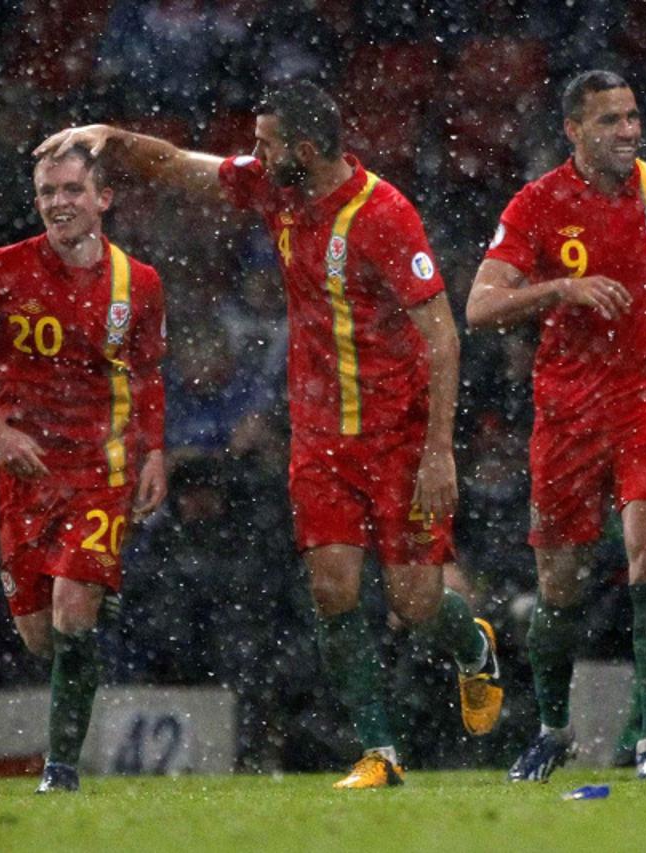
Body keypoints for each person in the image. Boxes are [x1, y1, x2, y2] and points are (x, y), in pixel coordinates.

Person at [35, 80, 502, 789]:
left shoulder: (385, 215)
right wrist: (116, 138)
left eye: (266, 142)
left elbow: (441, 334)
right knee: (332, 589)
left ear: (306, 151)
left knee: (415, 603)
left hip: (397, 437)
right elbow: (181, 168)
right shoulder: (276, 188)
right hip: (319, 437)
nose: (254, 153)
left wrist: (439, 449)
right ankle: (380, 752)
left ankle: (474, 645)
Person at [466, 69, 646, 781]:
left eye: (632, 117)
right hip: (566, 416)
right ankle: (552, 728)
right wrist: (560, 288)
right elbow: (478, 306)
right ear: (574, 130)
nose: (628, 131)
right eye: (610, 121)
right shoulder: (537, 205)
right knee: (559, 585)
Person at [0, 146, 168, 793]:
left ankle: (59, 772)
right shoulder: (2, 269)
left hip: (101, 469)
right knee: (40, 638)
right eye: (46, 191)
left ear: (103, 198)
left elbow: (147, 374)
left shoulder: (138, 281)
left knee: (70, 611)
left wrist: (156, 453)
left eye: (71, 189)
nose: (58, 202)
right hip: (26, 477)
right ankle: (93, 598)